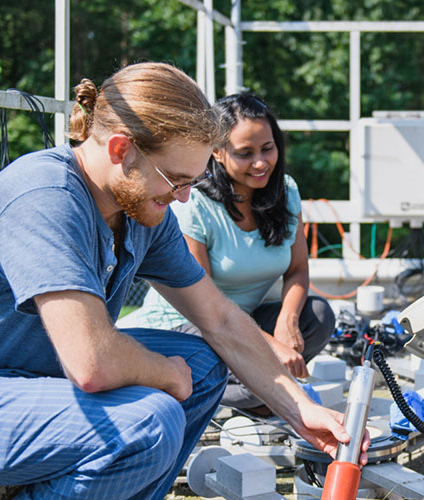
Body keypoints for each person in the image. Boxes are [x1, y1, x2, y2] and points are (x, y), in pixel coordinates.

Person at [0, 62, 364, 499]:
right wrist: (165, 375)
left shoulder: (137, 209)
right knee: (151, 420)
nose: (182, 199)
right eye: (176, 179)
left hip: (29, 386)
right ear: (121, 149)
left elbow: (220, 318)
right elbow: (92, 362)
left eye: (190, 183)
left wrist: (302, 412)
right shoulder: (44, 198)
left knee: (203, 362)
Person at [121, 92, 334, 415]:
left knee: (317, 316)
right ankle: (245, 395)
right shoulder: (194, 204)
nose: (261, 163)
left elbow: (297, 270)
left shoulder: (286, 191)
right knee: (244, 366)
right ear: (217, 153)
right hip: (192, 323)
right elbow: (204, 305)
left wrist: (286, 323)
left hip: (244, 321)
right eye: (245, 153)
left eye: (267, 148)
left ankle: (252, 395)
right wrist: (270, 346)